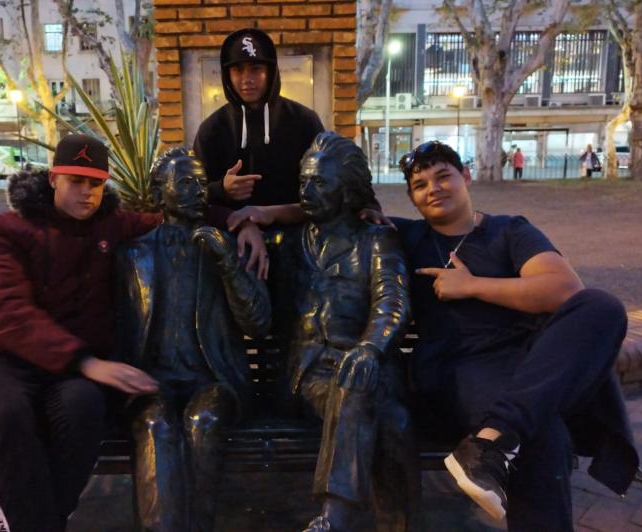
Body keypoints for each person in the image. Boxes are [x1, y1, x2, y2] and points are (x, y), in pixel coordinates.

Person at [0, 134, 266, 532]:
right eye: (76, 181)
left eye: (95, 184)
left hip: (73, 371)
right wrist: (87, 362)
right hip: (5, 358)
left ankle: (47, 521)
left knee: (84, 409)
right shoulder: (10, 230)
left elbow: (175, 216)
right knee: (10, 416)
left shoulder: (112, 226)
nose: (86, 193)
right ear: (54, 179)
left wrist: (244, 221)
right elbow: (10, 315)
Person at [392, 141, 638, 531]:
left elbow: (562, 289)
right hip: (457, 368)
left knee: (602, 306)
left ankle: (494, 437)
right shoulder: (407, 238)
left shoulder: (509, 231)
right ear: (412, 198)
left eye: (443, 176)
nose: (433, 188)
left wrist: (472, 286)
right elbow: (333, 208)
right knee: (545, 437)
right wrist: (259, 215)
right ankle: (499, 437)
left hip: (528, 363)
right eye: (420, 185)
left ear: (466, 177)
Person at [115, 147, 272, 532]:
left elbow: (258, 324)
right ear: (159, 189)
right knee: (155, 424)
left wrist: (228, 264)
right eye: (185, 183)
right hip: (152, 379)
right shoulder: (133, 253)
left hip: (213, 379)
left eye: (202, 184)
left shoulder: (228, 246)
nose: (198, 192)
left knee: (204, 421)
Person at [269, 132, 419, 532]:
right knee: (388, 416)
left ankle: (337, 517)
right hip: (310, 374)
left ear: (347, 189)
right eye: (304, 181)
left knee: (392, 418)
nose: (307, 191)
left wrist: (370, 347)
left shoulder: (376, 240)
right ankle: (378, 521)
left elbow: (393, 302)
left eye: (321, 182)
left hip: (370, 366)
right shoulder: (285, 242)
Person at [193, 28, 323, 226]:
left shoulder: (304, 121)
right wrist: (222, 190)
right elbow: (190, 196)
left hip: (298, 237)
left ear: (270, 72)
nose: (246, 79)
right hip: (233, 241)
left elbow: (329, 185)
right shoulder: (211, 130)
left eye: (255, 69)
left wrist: (367, 205)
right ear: (227, 74)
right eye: (237, 70)